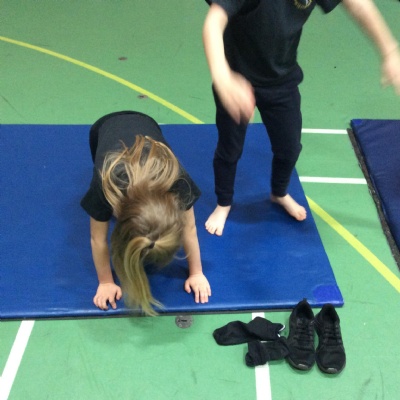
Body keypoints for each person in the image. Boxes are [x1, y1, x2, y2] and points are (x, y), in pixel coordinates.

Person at [203, 0, 400, 236]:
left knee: (290, 148)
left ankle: (279, 193)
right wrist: (223, 77)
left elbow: (358, 5)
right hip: (237, 81)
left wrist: (390, 51)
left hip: (281, 80)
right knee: (229, 149)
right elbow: (213, 23)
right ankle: (223, 203)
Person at [81, 111, 211, 315]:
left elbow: (190, 228)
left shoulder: (178, 181)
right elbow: (97, 239)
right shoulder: (104, 185)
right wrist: (105, 282)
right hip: (102, 128)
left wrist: (196, 273)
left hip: (148, 122)